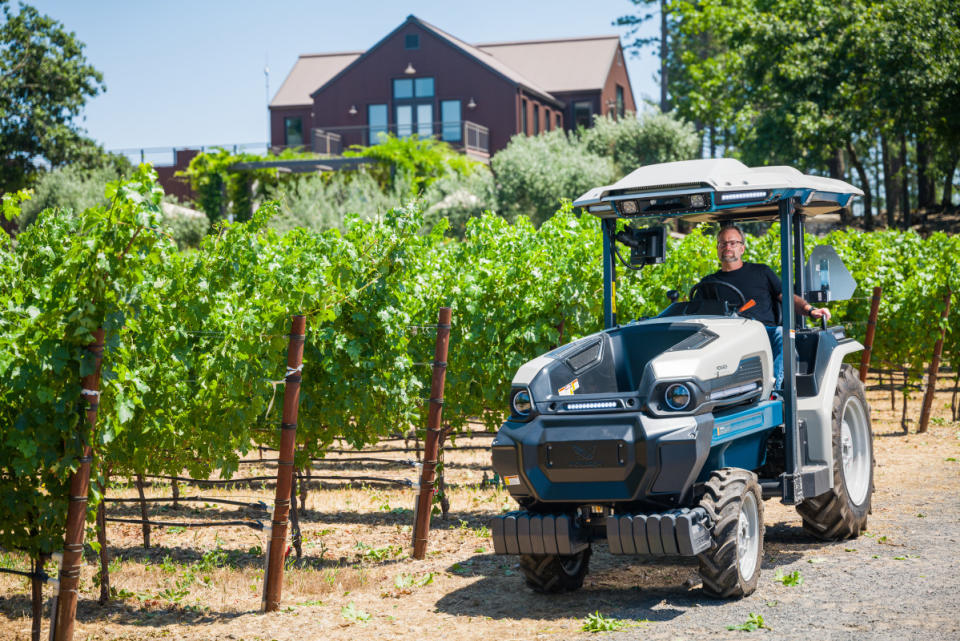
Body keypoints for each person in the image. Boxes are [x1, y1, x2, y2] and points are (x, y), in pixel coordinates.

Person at [696, 225, 831, 390]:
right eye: (722, 243)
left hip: (763, 332)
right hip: (727, 337)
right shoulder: (709, 283)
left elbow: (787, 297)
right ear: (717, 248)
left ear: (742, 248)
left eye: (732, 243)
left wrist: (810, 310)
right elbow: (697, 311)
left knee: (783, 335)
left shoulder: (761, 272)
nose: (727, 247)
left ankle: (770, 388)